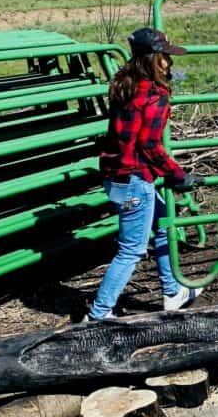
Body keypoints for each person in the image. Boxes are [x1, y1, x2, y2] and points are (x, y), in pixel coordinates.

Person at [86, 27, 204, 321]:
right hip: (135, 179)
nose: (170, 62)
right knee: (131, 250)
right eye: (165, 56)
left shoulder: (124, 85)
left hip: (116, 174)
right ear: (152, 59)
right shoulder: (153, 95)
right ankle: (98, 315)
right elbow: (149, 145)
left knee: (164, 222)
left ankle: (172, 291)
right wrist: (178, 175)